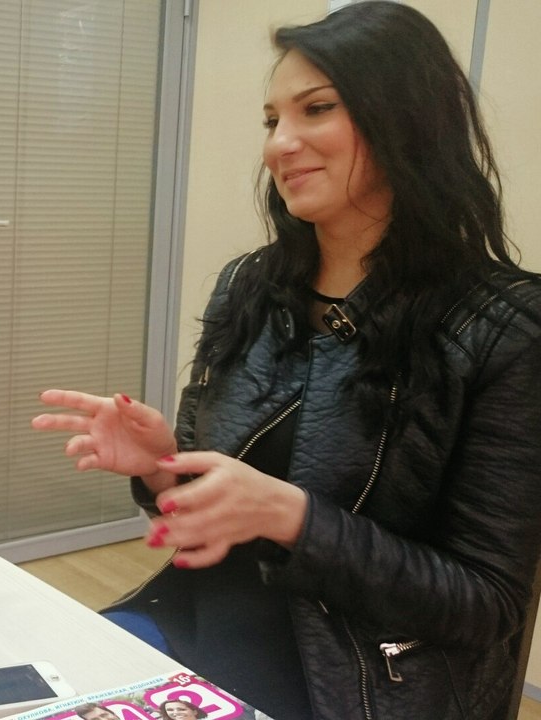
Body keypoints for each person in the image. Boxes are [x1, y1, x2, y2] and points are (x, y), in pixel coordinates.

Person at [32, 3, 541, 719]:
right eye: (272, 119)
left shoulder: (504, 327)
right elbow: (215, 500)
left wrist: (296, 519)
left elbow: (487, 603)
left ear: (407, 117)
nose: (280, 144)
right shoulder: (249, 285)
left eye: (317, 109)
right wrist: (163, 467)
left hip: (351, 683)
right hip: (192, 624)